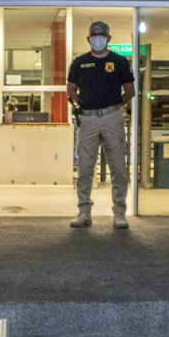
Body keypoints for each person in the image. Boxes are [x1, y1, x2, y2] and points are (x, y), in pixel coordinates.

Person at [66, 21, 135, 229]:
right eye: (94, 34)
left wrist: (116, 107)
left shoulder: (120, 62)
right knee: (85, 167)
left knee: (118, 167)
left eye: (101, 34)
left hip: (112, 117)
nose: (97, 37)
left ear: (109, 38)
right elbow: (71, 90)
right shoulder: (79, 62)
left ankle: (120, 213)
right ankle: (84, 212)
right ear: (88, 38)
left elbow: (130, 91)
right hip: (87, 119)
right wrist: (85, 105)